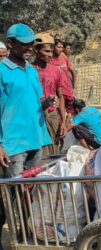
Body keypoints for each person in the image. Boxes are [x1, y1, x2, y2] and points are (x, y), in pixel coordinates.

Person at [0, 23, 52, 249]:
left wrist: (47, 103)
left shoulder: (31, 71)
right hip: (13, 144)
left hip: (35, 140)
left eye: (32, 43)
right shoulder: (1, 72)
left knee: (30, 192)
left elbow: (36, 101)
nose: (30, 47)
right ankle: (14, 240)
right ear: (10, 44)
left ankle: (25, 234)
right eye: (24, 44)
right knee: (14, 193)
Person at [32, 32, 67, 155]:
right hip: (34, 116)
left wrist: (63, 121)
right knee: (37, 154)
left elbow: (61, 97)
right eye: (46, 51)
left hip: (52, 116)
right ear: (36, 50)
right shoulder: (29, 70)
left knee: (53, 152)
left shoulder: (56, 70)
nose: (50, 55)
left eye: (51, 51)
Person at [50, 38, 76, 114]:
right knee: (59, 114)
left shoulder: (64, 57)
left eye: (62, 47)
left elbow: (73, 72)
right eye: (58, 47)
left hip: (67, 90)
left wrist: (74, 88)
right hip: (56, 92)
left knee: (71, 113)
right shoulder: (49, 59)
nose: (61, 49)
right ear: (53, 47)